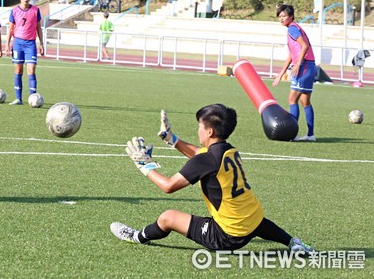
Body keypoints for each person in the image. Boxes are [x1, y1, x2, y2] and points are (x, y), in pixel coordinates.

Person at [110, 104, 315, 253]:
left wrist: (144, 165)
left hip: (227, 237)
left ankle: (137, 237)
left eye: (200, 126)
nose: (198, 130)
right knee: (253, 219)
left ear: (209, 131)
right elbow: (200, 154)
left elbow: (169, 186)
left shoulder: (207, 159)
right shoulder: (229, 151)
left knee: (168, 217)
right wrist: (171, 139)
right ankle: (292, 242)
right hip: (253, 221)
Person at [272, 4, 316, 142]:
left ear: (291, 16)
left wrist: (297, 65)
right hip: (309, 66)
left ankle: (292, 134)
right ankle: (310, 135)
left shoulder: (292, 28)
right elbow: (292, 54)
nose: (281, 19)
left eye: (284, 16)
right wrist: (280, 74)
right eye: (279, 16)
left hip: (303, 67)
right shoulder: (295, 27)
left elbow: (305, 45)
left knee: (292, 99)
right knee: (305, 102)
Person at [6, 0, 44, 105]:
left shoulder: (35, 10)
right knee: (18, 69)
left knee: (31, 69)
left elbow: (38, 28)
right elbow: (11, 28)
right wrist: (7, 44)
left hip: (30, 44)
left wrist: (41, 43)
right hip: (18, 43)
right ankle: (18, 98)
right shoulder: (14, 11)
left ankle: (33, 98)